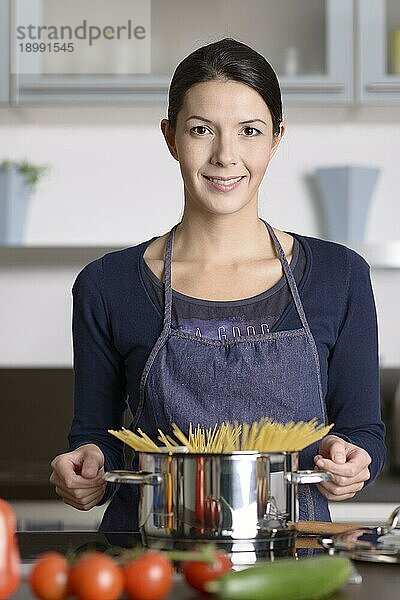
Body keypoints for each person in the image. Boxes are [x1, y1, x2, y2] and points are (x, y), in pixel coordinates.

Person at [50, 38, 386, 531]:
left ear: (276, 139)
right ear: (171, 139)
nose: (226, 155)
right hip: (150, 561)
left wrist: (354, 460)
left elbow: (364, 433)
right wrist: (84, 465)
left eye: (249, 131)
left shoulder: (341, 276)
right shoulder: (107, 284)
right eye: (201, 130)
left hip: (293, 560)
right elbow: (95, 434)